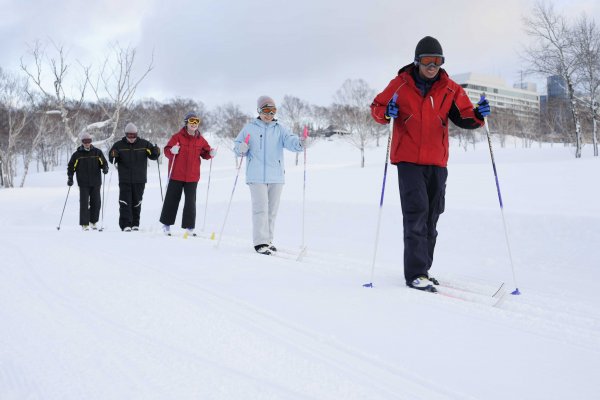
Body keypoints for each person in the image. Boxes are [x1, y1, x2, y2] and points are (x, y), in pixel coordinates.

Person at [370, 36, 491, 292]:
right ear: (417, 61)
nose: (432, 66)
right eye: (427, 60)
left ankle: (423, 268)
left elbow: (465, 117)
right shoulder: (400, 84)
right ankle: (415, 273)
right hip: (409, 161)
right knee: (416, 214)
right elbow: (377, 108)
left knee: (432, 218)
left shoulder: (450, 88)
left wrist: (479, 115)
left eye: (437, 61)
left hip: (437, 162)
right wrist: (386, 112)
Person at [233, 95, 304, 255]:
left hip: (276, 176)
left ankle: (268, 240)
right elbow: (237, 146)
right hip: (256, 176)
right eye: (266, 110)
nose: (269, 114)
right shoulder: (249, 127)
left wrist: (299, 143)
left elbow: (290, 140)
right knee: (260, 209)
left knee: (272, 210)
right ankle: (260, 242)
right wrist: (241, 148)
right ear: (259, 110)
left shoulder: (280, 128)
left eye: (272, 111)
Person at [159, 112, 216, 236]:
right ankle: (166, 225)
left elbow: (206, 153)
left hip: (192, 176)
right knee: (172, 200)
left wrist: (210, 154)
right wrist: (172, 151)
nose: (194, 124)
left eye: (196, 121)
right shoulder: (177, 137)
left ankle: (189, 227)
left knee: (190, 202)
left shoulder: (201, 140)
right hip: (176, 175)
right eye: (192, 121)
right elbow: (167, 150)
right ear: (186, 122)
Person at [109, 122, 161, 232]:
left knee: (137, 202)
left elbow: (153, 156)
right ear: (125, 134)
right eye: (129, 135)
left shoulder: (144, 144)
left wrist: (156, 151)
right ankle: (125, 224)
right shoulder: (118, 145)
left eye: (134, 135)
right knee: (125, 201)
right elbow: (112, 159)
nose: (131, 138)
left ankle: (135, 224)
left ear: (137, 134)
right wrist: (113, 155)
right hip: (125, 179)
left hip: (140, 179)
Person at [67, 131, 109, 230]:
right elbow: (71, 167)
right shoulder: (77, 154)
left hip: (96, 182)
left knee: (96, 203)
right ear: (82, 142)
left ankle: (93, 221)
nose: (87, 143)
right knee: (84, 203)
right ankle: (84, 224)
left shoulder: (97, 152)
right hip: (83, 183)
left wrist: (105, 168)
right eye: (85, 141)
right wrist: (70, 177)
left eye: (89, 141)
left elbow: (104, 163)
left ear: (91, 141)